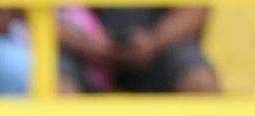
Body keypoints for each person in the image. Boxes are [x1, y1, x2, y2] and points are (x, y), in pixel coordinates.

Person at [58, 5, 219, 93]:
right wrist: (85, 44)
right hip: (78, 50)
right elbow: (44, 17)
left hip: (159, 47)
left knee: (200, 82)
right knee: (56, 85)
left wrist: (155, 41)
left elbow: (196, 9)